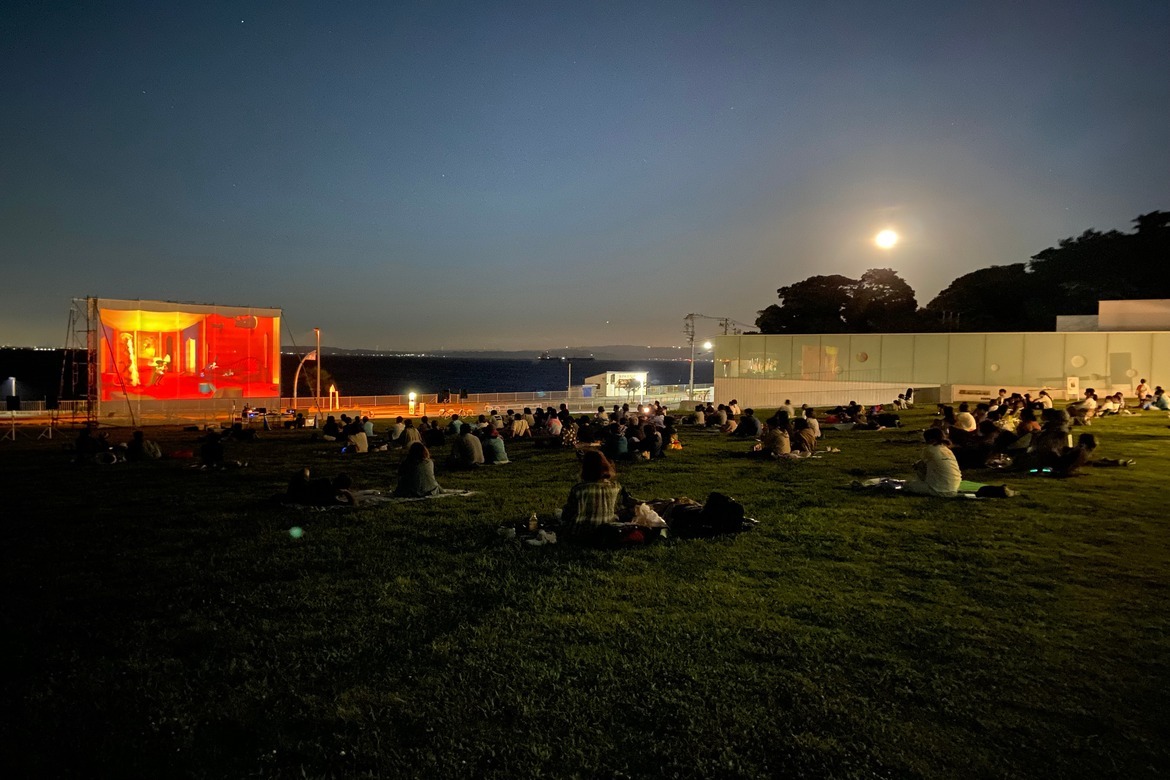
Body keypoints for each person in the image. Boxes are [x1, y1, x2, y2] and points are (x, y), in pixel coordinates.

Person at [561, 451, 635, 537]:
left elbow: (568, 513)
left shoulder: (579, 489)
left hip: (581, 532)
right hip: (606, 530)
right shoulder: (615, 487)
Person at [904, 427, 962, 497]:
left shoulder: (929, 450)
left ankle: (922, 483)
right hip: (954, 488)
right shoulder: (947, 450)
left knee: (907, 485)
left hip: (938, 490)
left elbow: (920, 465)